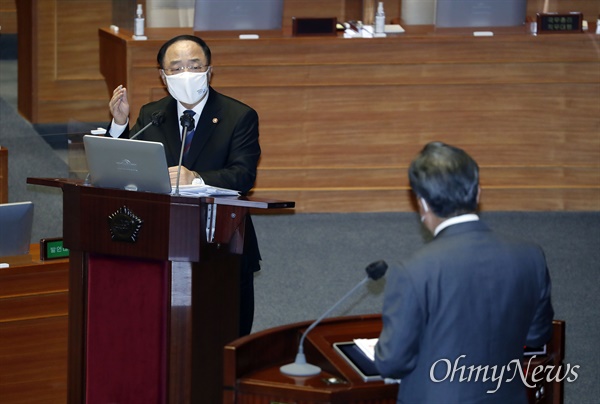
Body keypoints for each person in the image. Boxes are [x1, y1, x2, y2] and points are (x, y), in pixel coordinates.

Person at [374, 141, 554, 403]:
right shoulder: (530, 256)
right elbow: (537, 335)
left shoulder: (413, 270)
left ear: (422, 203)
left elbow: (392, 363)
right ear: (478, 193)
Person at [107, 34, 261, 336]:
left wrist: (197, 177)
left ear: (209, 70)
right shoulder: (153, 114)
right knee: (163, 332)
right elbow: (129, 166)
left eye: (194, 65)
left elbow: (244, 176)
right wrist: (119, 125)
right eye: (176, 68)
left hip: (221, 240)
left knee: (224, 334)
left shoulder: (238, 116)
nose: (186, 74)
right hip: (161, 237)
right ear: (164, 76)